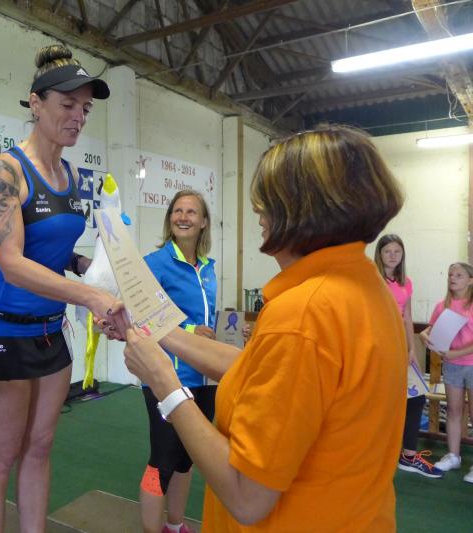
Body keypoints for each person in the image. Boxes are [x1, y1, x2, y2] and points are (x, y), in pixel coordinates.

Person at [121, 125, 405, 531]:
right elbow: (256, 367)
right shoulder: (364, 285)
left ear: (303, 209)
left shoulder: (303, 315)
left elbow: (246, 497)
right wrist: (162, 334)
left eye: (267, 202)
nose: (259, 216)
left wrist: (163, 380)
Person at [0, 44, 120, 533]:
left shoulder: (72, 175)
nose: (78, 117)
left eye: (85, 108)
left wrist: (84, 266)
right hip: (2, 330)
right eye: (67, 104)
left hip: (51, 331)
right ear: (36, 103)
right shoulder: (6, 171)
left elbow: (50, 247)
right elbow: (12, 263)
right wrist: (91, 296)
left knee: (40, 447)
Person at [140, 190, 217, 533]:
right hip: (167, 377)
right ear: (170, 218)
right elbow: (143, 318)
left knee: (187, 458)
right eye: (177, 211)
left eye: (191, 212)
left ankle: (174, 525)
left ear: (204, 222)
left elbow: (208, 322)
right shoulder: (154, 263)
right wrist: (189, 330)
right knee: (163, 461)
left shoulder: (208, 268)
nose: (183, 217)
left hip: (204, 378)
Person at [375, 234, 442, 478]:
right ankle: (374, 454)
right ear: (379, 254)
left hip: (401, 348)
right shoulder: (372, 279)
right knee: (380, 402)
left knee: (415, 398)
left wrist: (412, 349)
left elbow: (407, 317)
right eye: (387, 251)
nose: (393, 256)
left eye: (397, 251)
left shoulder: (406, 282)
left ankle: (408, 456)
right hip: (379, 349)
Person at [420, 262, 473, 481]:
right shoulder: (442, 306)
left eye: (459, 275)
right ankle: (453, 455)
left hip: (471, 363)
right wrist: (424, 336)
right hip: (452, 365)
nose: (453, 278)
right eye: (451, 274)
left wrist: (457, 352)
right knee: (453, 410)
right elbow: (429, 330)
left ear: (470, 280)